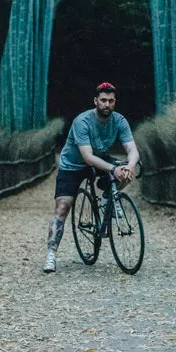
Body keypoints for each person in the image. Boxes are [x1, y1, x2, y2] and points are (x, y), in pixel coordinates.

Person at [43, 81, 140, 274]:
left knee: (126, 173)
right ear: (95, 101)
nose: (107, 104)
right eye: (103, 100)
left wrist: (129, 165)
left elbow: (132, 149)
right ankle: (51, 254)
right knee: (63, 206)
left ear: (115, 102)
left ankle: (106, 200)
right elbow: (87, 157)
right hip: (74, 164)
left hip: (101, 159)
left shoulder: (119, 121)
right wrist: (113, 169)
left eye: (111, 101)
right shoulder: (82, 121)